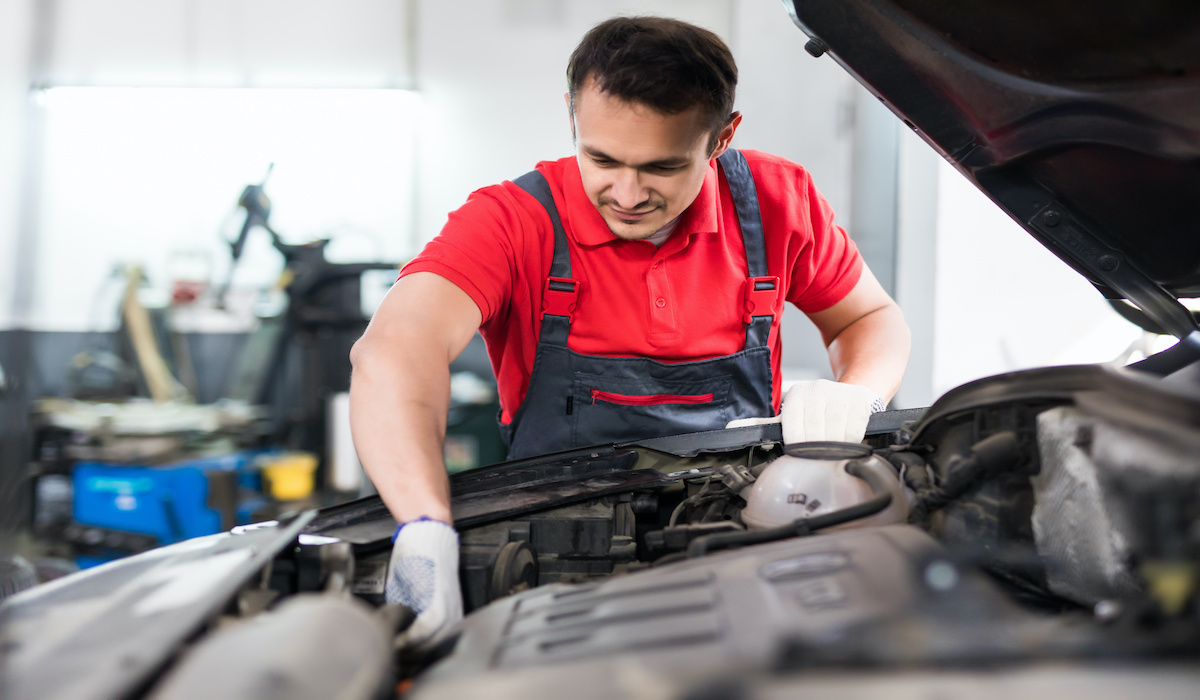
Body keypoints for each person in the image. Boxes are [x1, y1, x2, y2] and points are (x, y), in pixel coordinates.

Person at [349, 16, 911, 645]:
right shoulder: (512, 222)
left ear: (723, 136)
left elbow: (869, 317)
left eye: (662, 167)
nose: (627, 193)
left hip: (746, 546)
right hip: (552, 574)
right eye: (602, 158)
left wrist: (857, 392)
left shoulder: (779, 201)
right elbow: (394, 352)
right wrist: (424, 529)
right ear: (571, 116)